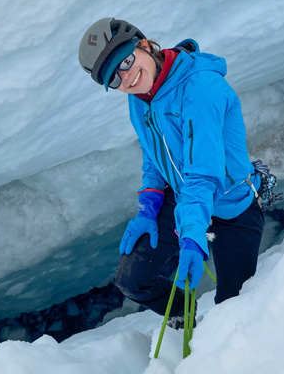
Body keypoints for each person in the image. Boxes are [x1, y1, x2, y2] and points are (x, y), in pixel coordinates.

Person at [78, 18, 265, 326]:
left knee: (235, 310)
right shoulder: (140, 96)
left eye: (125, 62)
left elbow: (202, 175)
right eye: (114, 79)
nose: (125, 78)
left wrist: (192, 236)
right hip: (184, 198)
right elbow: (154, 153)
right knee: (133, 280)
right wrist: (149, 205)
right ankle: (188, 324)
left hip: (231, 206)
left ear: (144, 44)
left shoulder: (200, 89)